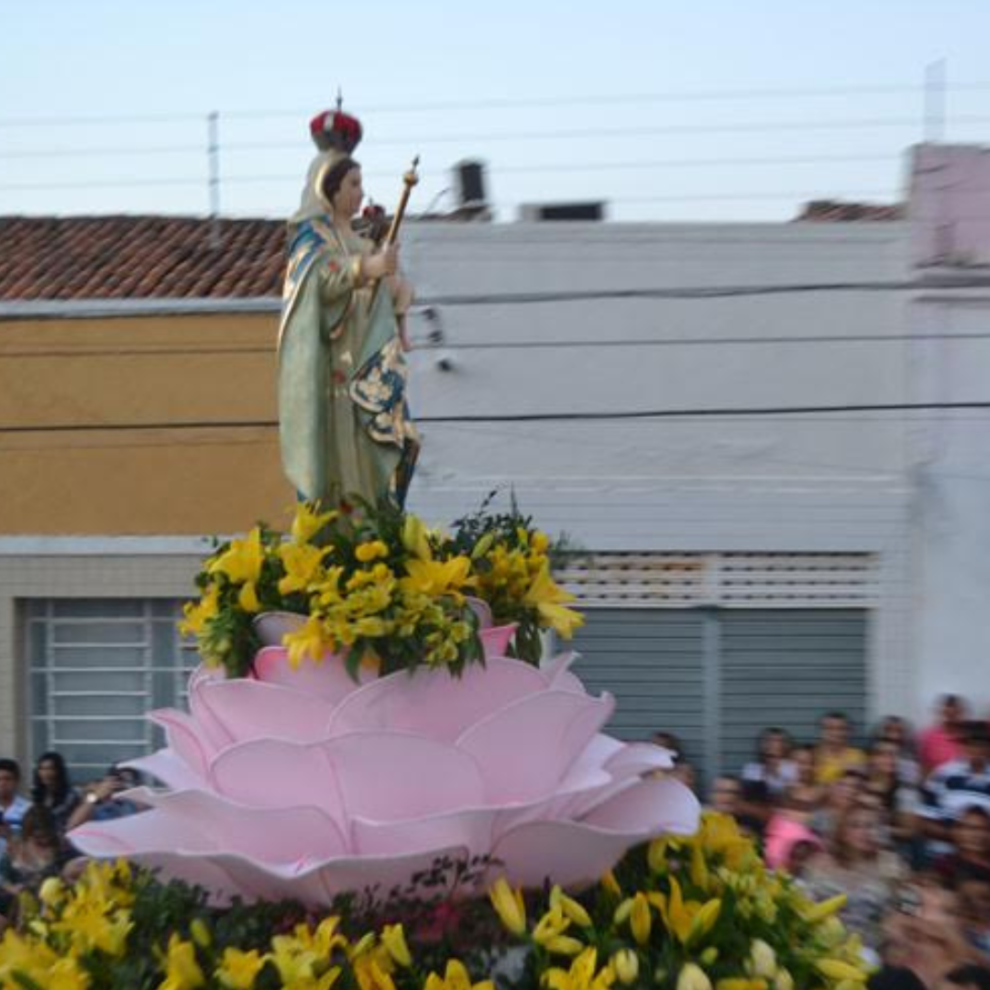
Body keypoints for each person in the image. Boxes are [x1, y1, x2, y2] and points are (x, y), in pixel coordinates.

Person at [278, 107, 420, 510]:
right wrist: (367, 268)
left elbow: (381, 296)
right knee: (346, 465)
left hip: (371, 366)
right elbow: (317, 280)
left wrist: (395, 285)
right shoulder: (313, 240)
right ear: (330, 189)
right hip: (337, 377)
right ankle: (346, 530)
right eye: (353, 184)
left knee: (396, 444)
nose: (360, 192)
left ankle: (378, 526)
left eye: (361, 183)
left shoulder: (360, 241)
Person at [804, 801, 906, 953]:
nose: (865, 832)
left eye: (871, 826)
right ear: (842, 832)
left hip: (869, 949)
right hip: (820, 945)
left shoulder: (889, 864)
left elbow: (898, 912)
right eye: (856, 826)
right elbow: (805, 904)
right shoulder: (819, 862)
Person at [921, 721, 990, 848]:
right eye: (969, 744)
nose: (975, 749)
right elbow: (926, 820)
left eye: (981, 744)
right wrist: (960, 837)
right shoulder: (943, 774)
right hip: (944, 853)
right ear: (961, 745)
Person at [0, 806, 64, 923]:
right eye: (38, 838)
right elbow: (2, 875)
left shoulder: (60, 849)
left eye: (47, 836)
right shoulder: (16, 848)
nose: (44, 840)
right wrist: (12, 888)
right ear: (28, 834)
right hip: (17, 902)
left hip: (49, 901)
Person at [66, 766, 144, 831]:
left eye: (129, 782)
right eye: (119, 779)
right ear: (107, 780)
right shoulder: (93, 799)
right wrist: (97, 796)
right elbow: (72, 826)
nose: (122, 785)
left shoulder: (132, 804)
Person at [31, 751, 80, 838]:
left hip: (66, 841)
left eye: (50, 768)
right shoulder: (37, 794)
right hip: (42, 842)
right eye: (42, 769)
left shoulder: (71, 795)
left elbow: (54, 816)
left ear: (58, 770)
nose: (45, 773)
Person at [919, 694, 968, 777]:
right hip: (936, 786)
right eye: (947, 713)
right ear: (941, 713)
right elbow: (924, 768)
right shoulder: (928, 737)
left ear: (961, 713)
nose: (951, 718)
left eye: (955, 713)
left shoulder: (969, 737)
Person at [741, 727, 797, 798]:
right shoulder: (750, 768)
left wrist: (776, 773)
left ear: (784, 745)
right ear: (762, 745)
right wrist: (766, 771)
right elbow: (748, 794)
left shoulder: (791, 767)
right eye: (768, 740)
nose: (771, 744)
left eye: (777, 740)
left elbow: (792, 793)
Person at [815, 711, 867, 786]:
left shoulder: (858, 756)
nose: (835, 732)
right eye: (829, 728)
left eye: (841, 728)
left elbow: (862, 784)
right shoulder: (813, 755)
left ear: (848, 731)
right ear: (821, 731)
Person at [0, 759, 30, 859]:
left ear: (16, 781)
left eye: (7, 779)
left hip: (18, 867)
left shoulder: (28, 809)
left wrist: (9, 835)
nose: (2, 783)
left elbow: (34, 842)